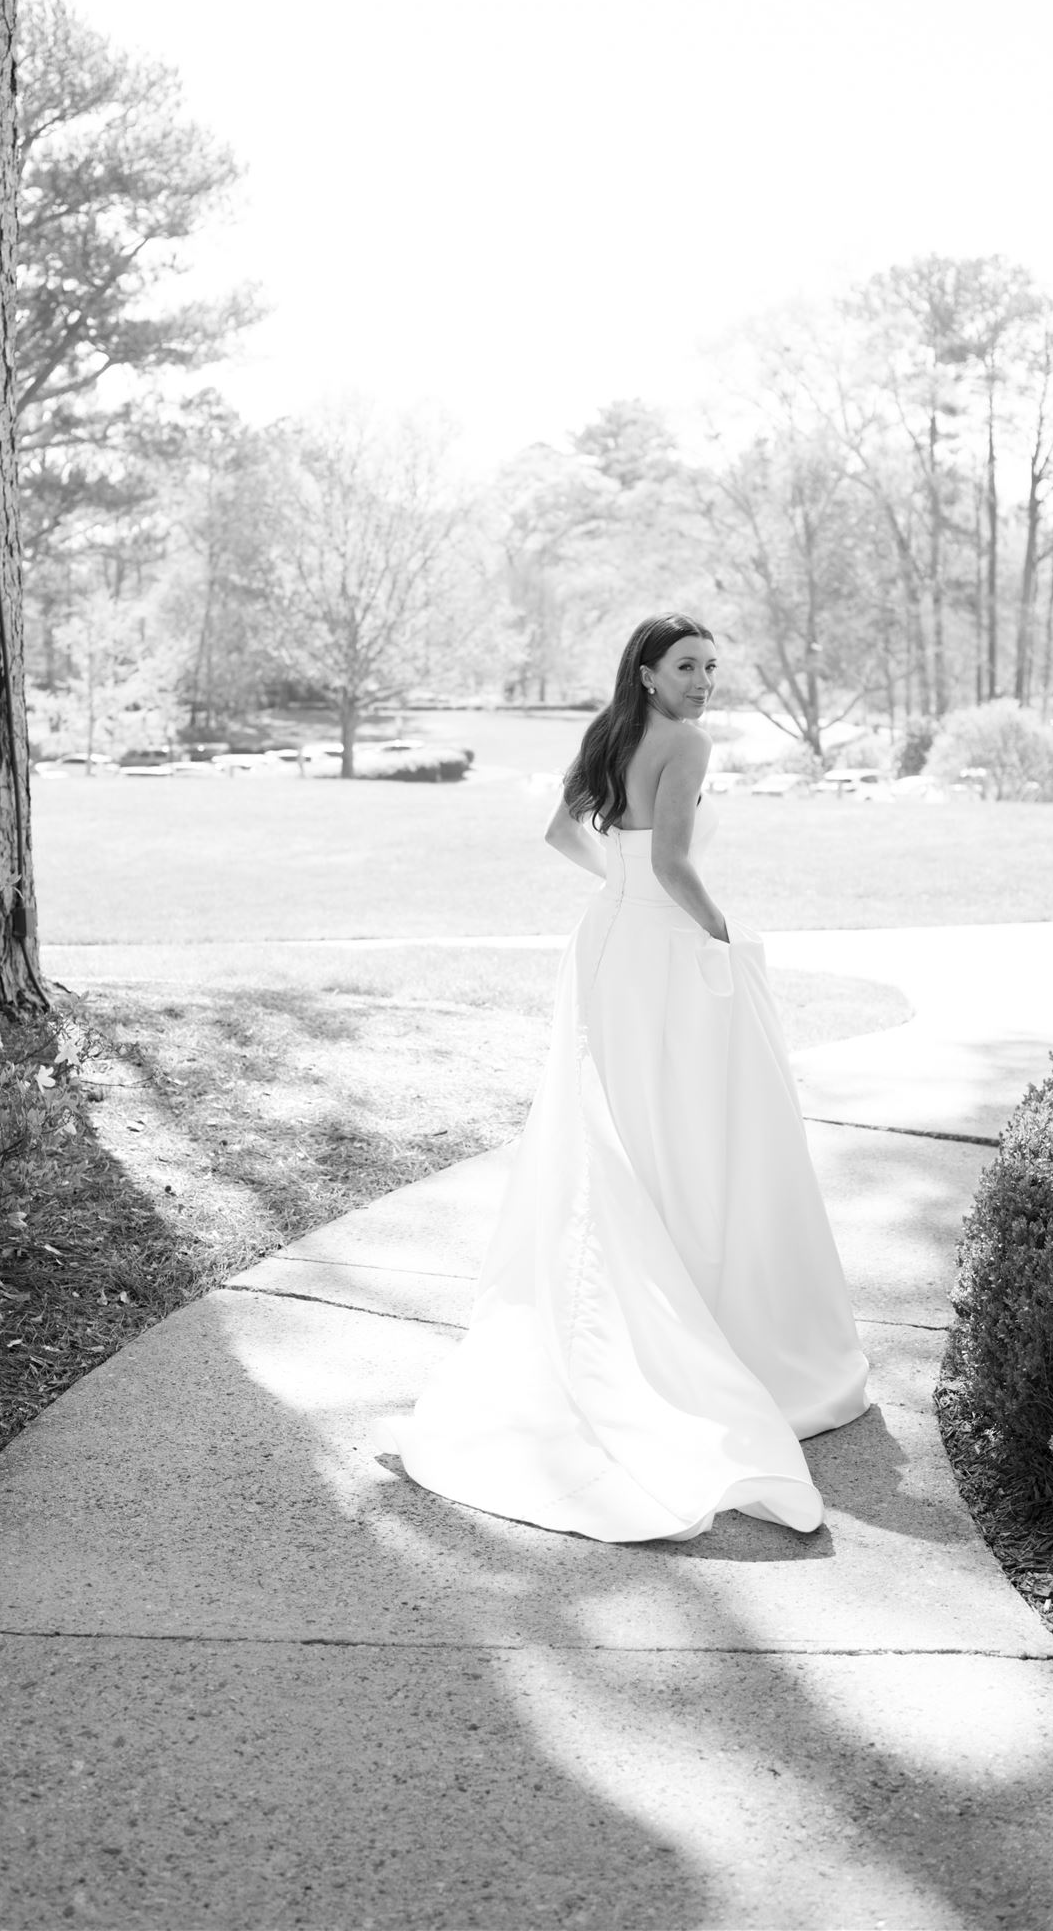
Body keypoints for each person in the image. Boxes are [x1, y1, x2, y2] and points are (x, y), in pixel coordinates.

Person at [388, 613, 870, 1542]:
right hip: (660, 949)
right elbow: (673, 862)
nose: (703, 681)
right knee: (679, 1120)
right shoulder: (686, 745)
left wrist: (616, 887)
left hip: (607, 938)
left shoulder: (610, 733)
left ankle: (630, 1290)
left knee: (614, 1119)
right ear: (646, 673)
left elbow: (563, 834)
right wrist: (723, 937)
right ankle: (685, 1307)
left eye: (712, 668)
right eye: (687, 666)